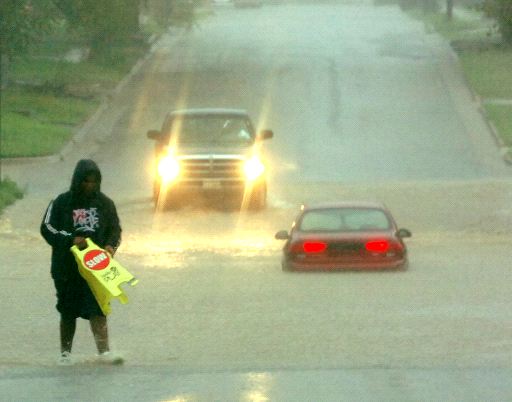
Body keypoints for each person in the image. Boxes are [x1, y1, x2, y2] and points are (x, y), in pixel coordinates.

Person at [40, 159, 123, 365]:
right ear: (77, 181)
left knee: (98, 308)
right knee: (68, 310)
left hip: (97, 266)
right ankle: (66, 354)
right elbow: (46, 228)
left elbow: (116, 230)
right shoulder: (61, 203)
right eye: (85, 181)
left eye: (94, 182)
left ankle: (104, 353)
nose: (89, 185)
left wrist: (111, 247)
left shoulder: (105, 204)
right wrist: (70, 239)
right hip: (66, 267)